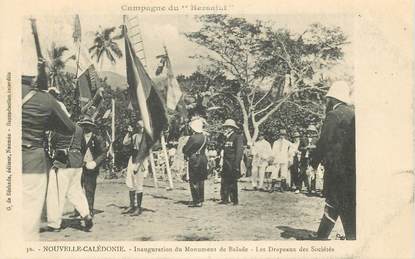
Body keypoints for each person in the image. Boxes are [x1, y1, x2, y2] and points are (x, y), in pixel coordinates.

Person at [21, 75, 76, 240]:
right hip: (33, 155)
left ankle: (54, 221)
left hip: (51, 153)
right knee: (33, 202)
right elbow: (68, 127)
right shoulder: (45, 100)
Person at [311, 81, 355, 240]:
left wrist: (313, 163)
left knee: (335, 201)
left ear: (332, 99)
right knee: (343, 202)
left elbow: (324, 142)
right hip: (351, 169)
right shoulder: (352, 113)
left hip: (336, 168)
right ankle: (325, 235)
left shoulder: (333, 115)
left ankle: (328, 237)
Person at [46, 124, 93, 232]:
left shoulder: (58, 127)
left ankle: (55, 224)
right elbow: (83, 146)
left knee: (57, 194)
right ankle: (86, 214)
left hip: (63, 162)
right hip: (77, 162)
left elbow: (53, 143)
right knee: (76, 191)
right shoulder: (79, 129)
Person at [78, 116, 107, 216]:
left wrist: (95, 162)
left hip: (91, 167)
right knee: (77, 188)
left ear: (92, 127)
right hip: (79, 166)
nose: (86, 127)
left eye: (88, 125)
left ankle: (89, 209)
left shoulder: (97, 138)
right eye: (84, 125)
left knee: (89, 189)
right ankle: (78, 209)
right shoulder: (78, 137)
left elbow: (103, 153)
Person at [121, 121, 148, 216]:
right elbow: (125, 142)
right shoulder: (135, 136)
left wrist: (140, 165)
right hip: (132, 159)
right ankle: (132, 205)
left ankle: (138, 208)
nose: (139, 128)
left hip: (140, 161)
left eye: (140, 126)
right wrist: (129, 132)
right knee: (130, 183)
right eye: (138, 126)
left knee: (138, 184)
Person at [183, 118, 208, 207]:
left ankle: (196, 201)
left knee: (194, 180)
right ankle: (201, 199)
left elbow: (186, 149)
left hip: (194, 159)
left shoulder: (193, 137)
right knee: (201, 180)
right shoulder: (205, 137)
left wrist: (184, 149)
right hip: (203, 158)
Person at [219, 119, 244, 205]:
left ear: (232, 128)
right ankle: (225, 199)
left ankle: (234, 200)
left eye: (227, 127)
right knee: (224, 181)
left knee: (233, 182)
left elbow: (239, 152)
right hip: (226, 163)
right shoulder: (226, 137)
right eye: (225, 127)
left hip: (233, 163)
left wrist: (236, 164)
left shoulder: (237, 137)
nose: (225, 129)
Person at [298, 125, 319, 193]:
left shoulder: (317, 139)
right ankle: (299, 188)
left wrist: (314, 147)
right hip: (304, 158)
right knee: (302, 172)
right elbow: (299, 148)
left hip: (313, 158)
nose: (310, 133)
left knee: (313, 173)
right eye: (309, 131)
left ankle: (312, 188)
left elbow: (319, 148)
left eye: (312, 132)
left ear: (314, 132)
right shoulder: (303, 138)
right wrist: (305, 148)